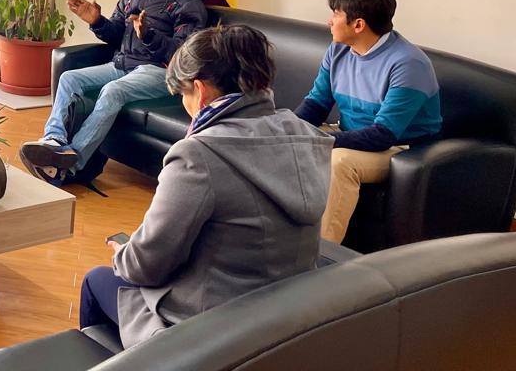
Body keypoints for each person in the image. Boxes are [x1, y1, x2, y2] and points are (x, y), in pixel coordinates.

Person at [78, 25, 332, 348]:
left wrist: (124, 256)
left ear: (200, 90)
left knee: (97, 280)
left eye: (183, 94)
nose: (185, 104)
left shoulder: (197, 155)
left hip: (209, 333)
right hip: (287, 320)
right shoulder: (305, 136)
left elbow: (147, 266)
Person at [20, 0, 209, 184]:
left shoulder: (188, 4)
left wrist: (149, 36)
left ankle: (71, 162)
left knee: (113, 91)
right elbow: (115, 33)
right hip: (122, 64)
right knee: (70, 78)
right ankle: (54, 140)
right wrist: (97, 21)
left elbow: (183, 54)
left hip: (159, 71)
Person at [294, 0, 442, 243]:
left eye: (336, 14)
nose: (329, 21)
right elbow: (317, 103)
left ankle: (321, 253)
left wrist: (318, 140)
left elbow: (382, 134)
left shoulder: (408, 63)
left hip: (399, 148)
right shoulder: (338, 49)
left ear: (358, 25)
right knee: (279, 137)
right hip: (352, 134)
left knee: (339, 161)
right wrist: (288, 130)